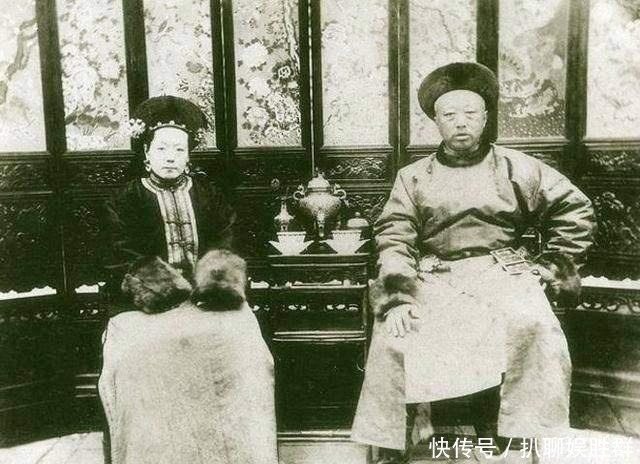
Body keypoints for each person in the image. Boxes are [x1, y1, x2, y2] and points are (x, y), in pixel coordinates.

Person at [351, 62, 595, 463]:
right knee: (395, 335)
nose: (460, 122)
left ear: (485, 117)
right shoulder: (413, 177)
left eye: (470, 113)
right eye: (449, 114)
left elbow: (575, 209)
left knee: (533, 326)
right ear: (436, 121)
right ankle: (393, 445)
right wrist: (397, 297)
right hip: (435, 276)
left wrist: (550, 266)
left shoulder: (518, 167)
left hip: (502, 273)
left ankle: (517, 440)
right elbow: (395, 237)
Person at [99, 96, 277, 464]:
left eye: (178, 149)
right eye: (162, 148)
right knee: (140, 356)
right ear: (146, 153)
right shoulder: (124, 200)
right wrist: (165, 291)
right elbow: (120, 255)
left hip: (208, 299)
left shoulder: (210, 195)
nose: (170, 157)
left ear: (188, 155)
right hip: (143, 306)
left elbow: (226, 243)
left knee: (244, 345)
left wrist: (213, 288)